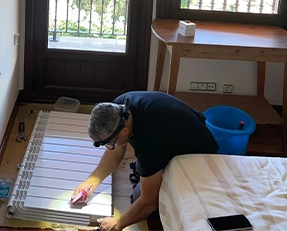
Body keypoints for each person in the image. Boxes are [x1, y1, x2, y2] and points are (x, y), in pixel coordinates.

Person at [71, 91, 219, 231]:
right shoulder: (118, 108)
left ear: (124, 131)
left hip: (197, 153)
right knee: (144, 172)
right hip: (178, 131)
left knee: (139, 200)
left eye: (110, 143)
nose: (111, 147)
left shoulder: (149, 141)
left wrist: (118, 223)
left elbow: (149, 203)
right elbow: (116, 151)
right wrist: (91, 182)